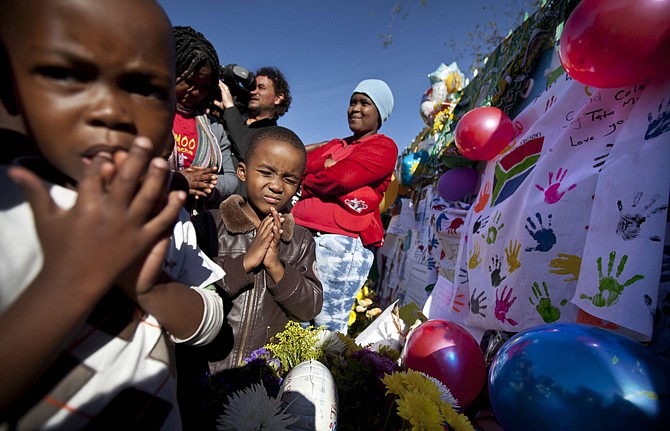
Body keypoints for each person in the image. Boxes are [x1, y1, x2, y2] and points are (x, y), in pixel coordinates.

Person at [0, 0, 225, 428]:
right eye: (65, 75)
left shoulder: (163, 216)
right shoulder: (11, 206)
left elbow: (211, 319)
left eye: (145, 88)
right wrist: (75, 276)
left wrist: (148, 290)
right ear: (10, 86)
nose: (112, 111)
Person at [291, 79, 399, 333]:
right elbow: (298, 166)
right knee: (294, 316)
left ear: (380, 113)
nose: (355, 109)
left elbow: (342, 177)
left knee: (326, 329)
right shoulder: (335, 145)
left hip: (340, 242)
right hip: (299, 235)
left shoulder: (384, 147)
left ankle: (324, 374)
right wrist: (327, 164)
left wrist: (306, 185)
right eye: (353, 102)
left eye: (365, 103)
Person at [169, 25, 238, 213]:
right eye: (189, 82)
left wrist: (204, 185)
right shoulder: (148, 113)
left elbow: (231, 178)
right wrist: (178, 181)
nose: (196, 92)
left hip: (195, 226)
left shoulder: (214, 128)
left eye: (204, 85)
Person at [218, 66, 292, 168]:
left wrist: (230, 108)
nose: (253, 92)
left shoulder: (276, 136)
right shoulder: (232, 118)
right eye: (252, 88)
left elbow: (248, 152)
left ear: (278, 98)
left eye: (261, 88)